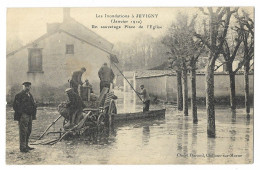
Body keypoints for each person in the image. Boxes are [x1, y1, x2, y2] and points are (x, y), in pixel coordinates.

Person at [13, 82, 37, 153]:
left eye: (29, 86)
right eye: (26, 86)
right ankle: (22, 148)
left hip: (30, 115)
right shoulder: (19, 95)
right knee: (23, 131)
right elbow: (15, 106)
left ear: (30, 87)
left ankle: (26, 145)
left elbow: (32, 104)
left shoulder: (30, 95)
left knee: (29, 130)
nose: (27, 87)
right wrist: (22, 112)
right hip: (23, 115)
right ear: (23, 87)